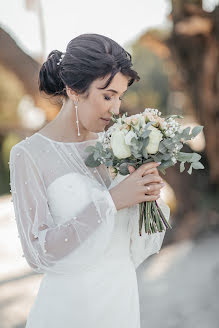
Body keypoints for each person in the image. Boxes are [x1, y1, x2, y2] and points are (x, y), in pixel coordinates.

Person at [9, 33, 170, 328]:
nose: (116, 109)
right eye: (107, 95)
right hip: (70, 308)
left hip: (121, 300)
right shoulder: (28, 155)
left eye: (120, 97)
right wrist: (111, 201)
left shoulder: (119, 143)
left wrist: (146, 197)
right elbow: (38, 253)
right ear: (73, 89)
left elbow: (132, 240)